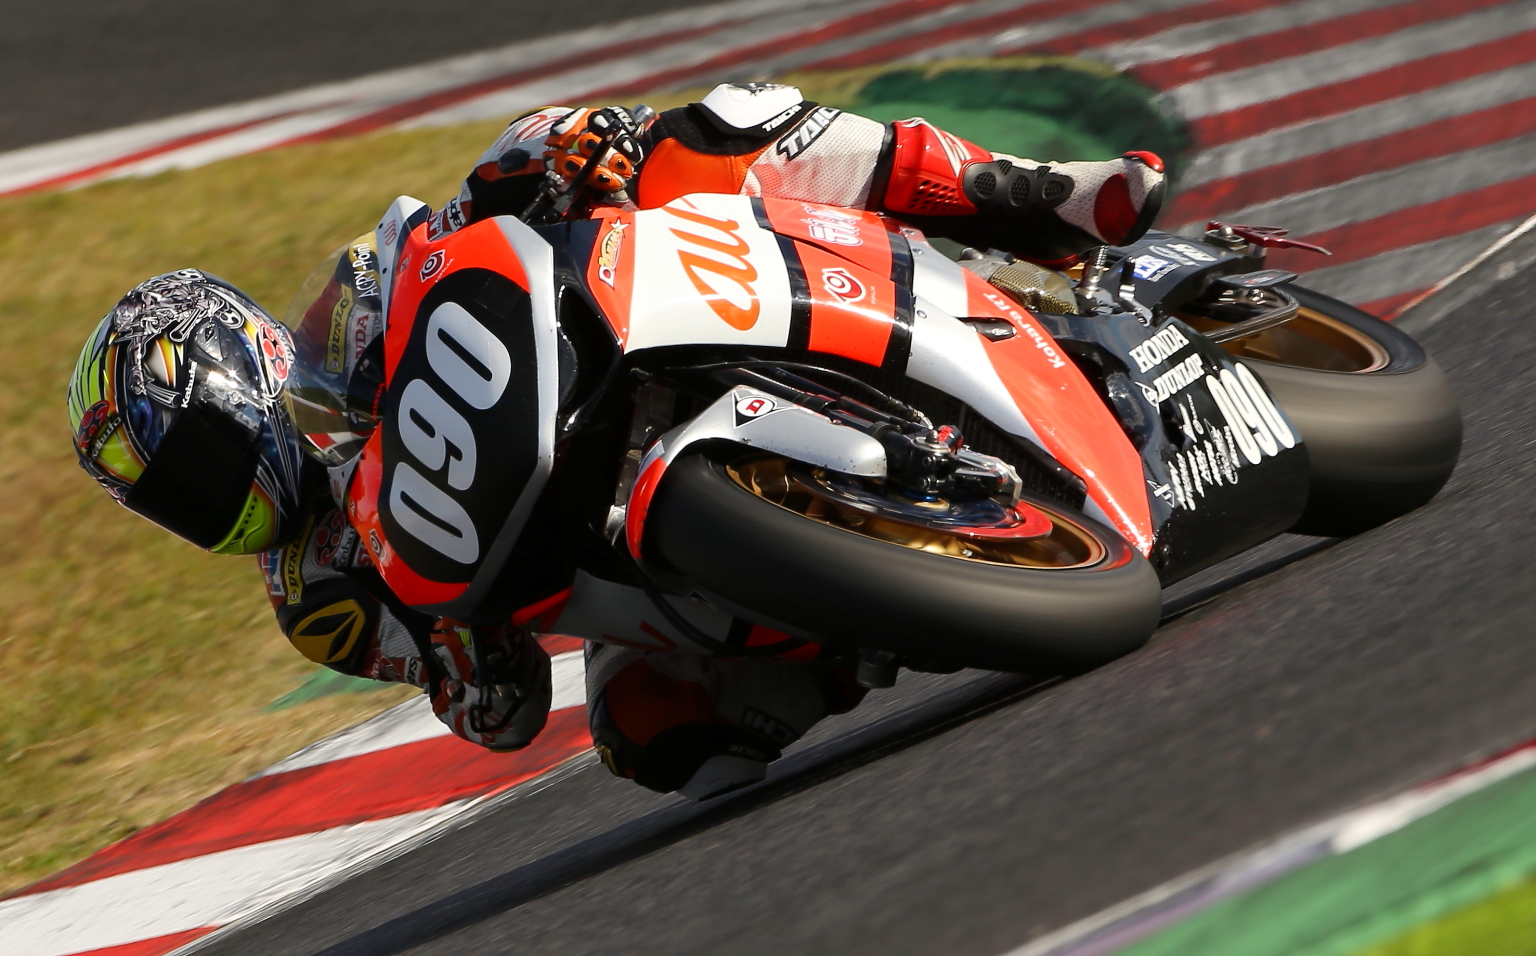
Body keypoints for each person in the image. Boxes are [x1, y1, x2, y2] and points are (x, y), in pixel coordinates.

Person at [68, 83, 1164, 800]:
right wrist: (466, 664)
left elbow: (466, 211)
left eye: (197, 464)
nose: (207, 504)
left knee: (716, 128)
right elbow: (499, 716)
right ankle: (883, 608)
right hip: (614, 554)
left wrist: (568, 147)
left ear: (245, 368)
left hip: (639, 325)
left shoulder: (350, 310)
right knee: (657, 742)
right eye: (174, 501)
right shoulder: (320, 596)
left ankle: (1037, 200)